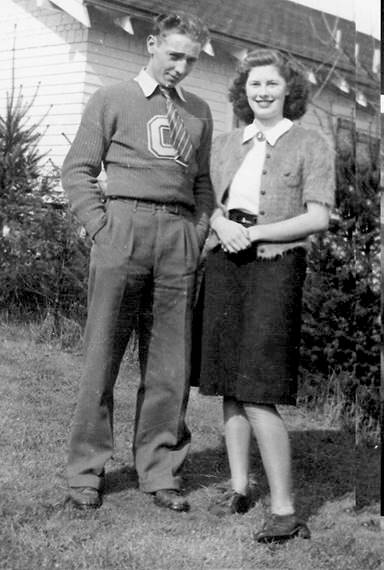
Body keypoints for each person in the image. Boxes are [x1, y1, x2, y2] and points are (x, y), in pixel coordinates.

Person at [61, 11, 213, 512]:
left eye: (190, 60)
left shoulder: (199, 113)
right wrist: (101, 226)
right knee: (101, 357)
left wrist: (198, 230)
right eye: (174, 55)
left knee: (170, 365)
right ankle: (86, 472)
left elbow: (203, 183)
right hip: (122, 229)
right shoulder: (111, 98)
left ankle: (160, 471)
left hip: (178, 238)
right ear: (151, 44)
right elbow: (79, 170)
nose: (181, 67)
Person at [198, 48, 335, 541]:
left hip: (275, 266)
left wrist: (253, 234)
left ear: (288, 90)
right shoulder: (228, 142)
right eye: (254, 85)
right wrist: (220, 223)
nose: (262, 92)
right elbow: (206, 200)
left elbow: (317, 217)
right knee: (229, 384)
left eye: (271, 85)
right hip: (223, 261)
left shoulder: (311, 144)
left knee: (258, 389)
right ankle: (238, 488)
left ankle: (284, 510)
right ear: (244, 91)